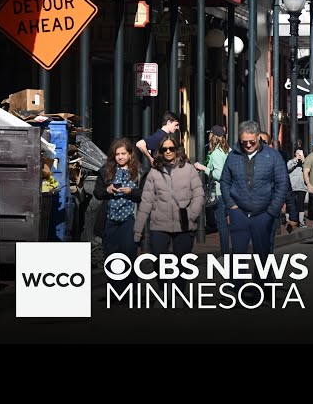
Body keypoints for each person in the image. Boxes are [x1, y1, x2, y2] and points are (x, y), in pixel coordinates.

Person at [220, 120, 289, 294]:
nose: (248, 145)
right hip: (239, 213)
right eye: (245, 142)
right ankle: (236, 291)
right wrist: (231, 206)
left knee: (263, 255)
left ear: (258, 137)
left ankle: (262, 291)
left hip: (263, 213)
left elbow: (283, 184)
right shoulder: (232, 156)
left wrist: (272, 211)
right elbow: (225, 182)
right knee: (238, 255)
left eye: (252, 141)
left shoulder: (273, 156)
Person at [133, 135, 205, 300]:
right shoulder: (154, 172)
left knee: (182, 262)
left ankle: (179, 293)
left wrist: (191, 214)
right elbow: (146, 201)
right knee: (159, 260)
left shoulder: (189, 169)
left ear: (177, 149)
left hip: (185, 224)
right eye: (164, 149)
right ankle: (164, 291)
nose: (167, 152)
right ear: (160, 151)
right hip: (159, 224)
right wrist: (138, 229)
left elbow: (199, 194)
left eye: (171, 148)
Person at [93, 137, 146, 296]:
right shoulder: (105, 171)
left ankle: (131, 290)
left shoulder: (140, 172)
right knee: (112, 255)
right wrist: (107, 190)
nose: (121, 157)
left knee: (129, 253)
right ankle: (115, 291)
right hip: (110, 218)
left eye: (123, 153)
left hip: (130, 218)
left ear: (130, 154)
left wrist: (132, 192)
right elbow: (97, 193)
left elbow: (145, 195)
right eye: (117, 154)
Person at [194, 125, 230, 255]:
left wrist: (203, 168)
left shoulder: (216, 153)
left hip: (220, 193)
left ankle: (225, 254)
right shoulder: (228, 150)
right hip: (230, 192)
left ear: (212, 137)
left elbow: (219, 175)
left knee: (222, 225)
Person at [287, 149, 308, 227]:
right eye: (297, 153)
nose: (299, 155)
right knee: (291, 204)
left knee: (300, 204)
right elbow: (287, 167)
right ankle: (288, 220)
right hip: (292, 187)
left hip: (302, 187)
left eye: (300, 154)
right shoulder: (291, 161)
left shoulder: (306, 162)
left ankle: (301, 221)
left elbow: (308, 170)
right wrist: (295, 160)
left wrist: (304, 161)